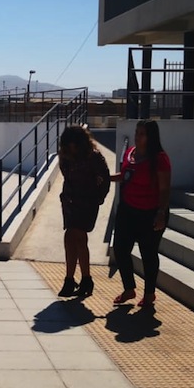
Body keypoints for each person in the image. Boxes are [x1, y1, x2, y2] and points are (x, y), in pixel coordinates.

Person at [109, 120, 172, 307]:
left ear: (151, 137)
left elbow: (165, 189)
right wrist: (105, 178)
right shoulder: (130, 153)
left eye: (142, 133)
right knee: (120, 250)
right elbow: (124, 176)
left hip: (150, 213)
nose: (137, 136)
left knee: (148, 255)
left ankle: (150, 293)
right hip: (128, 210)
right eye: (137, 132)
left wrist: (161, 213)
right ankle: (129, 289)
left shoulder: (160, 159)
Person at [56, 125, 110, 299]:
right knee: (73, 238)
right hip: (71, 201)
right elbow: (66, 176)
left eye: (73, 144)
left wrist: (99, 197)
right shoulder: (64, 156)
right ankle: (82, 279)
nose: (71, 148)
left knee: (76, 235)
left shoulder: (93, 157)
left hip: (87, 202)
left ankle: (73, 279)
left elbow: (105, 178)